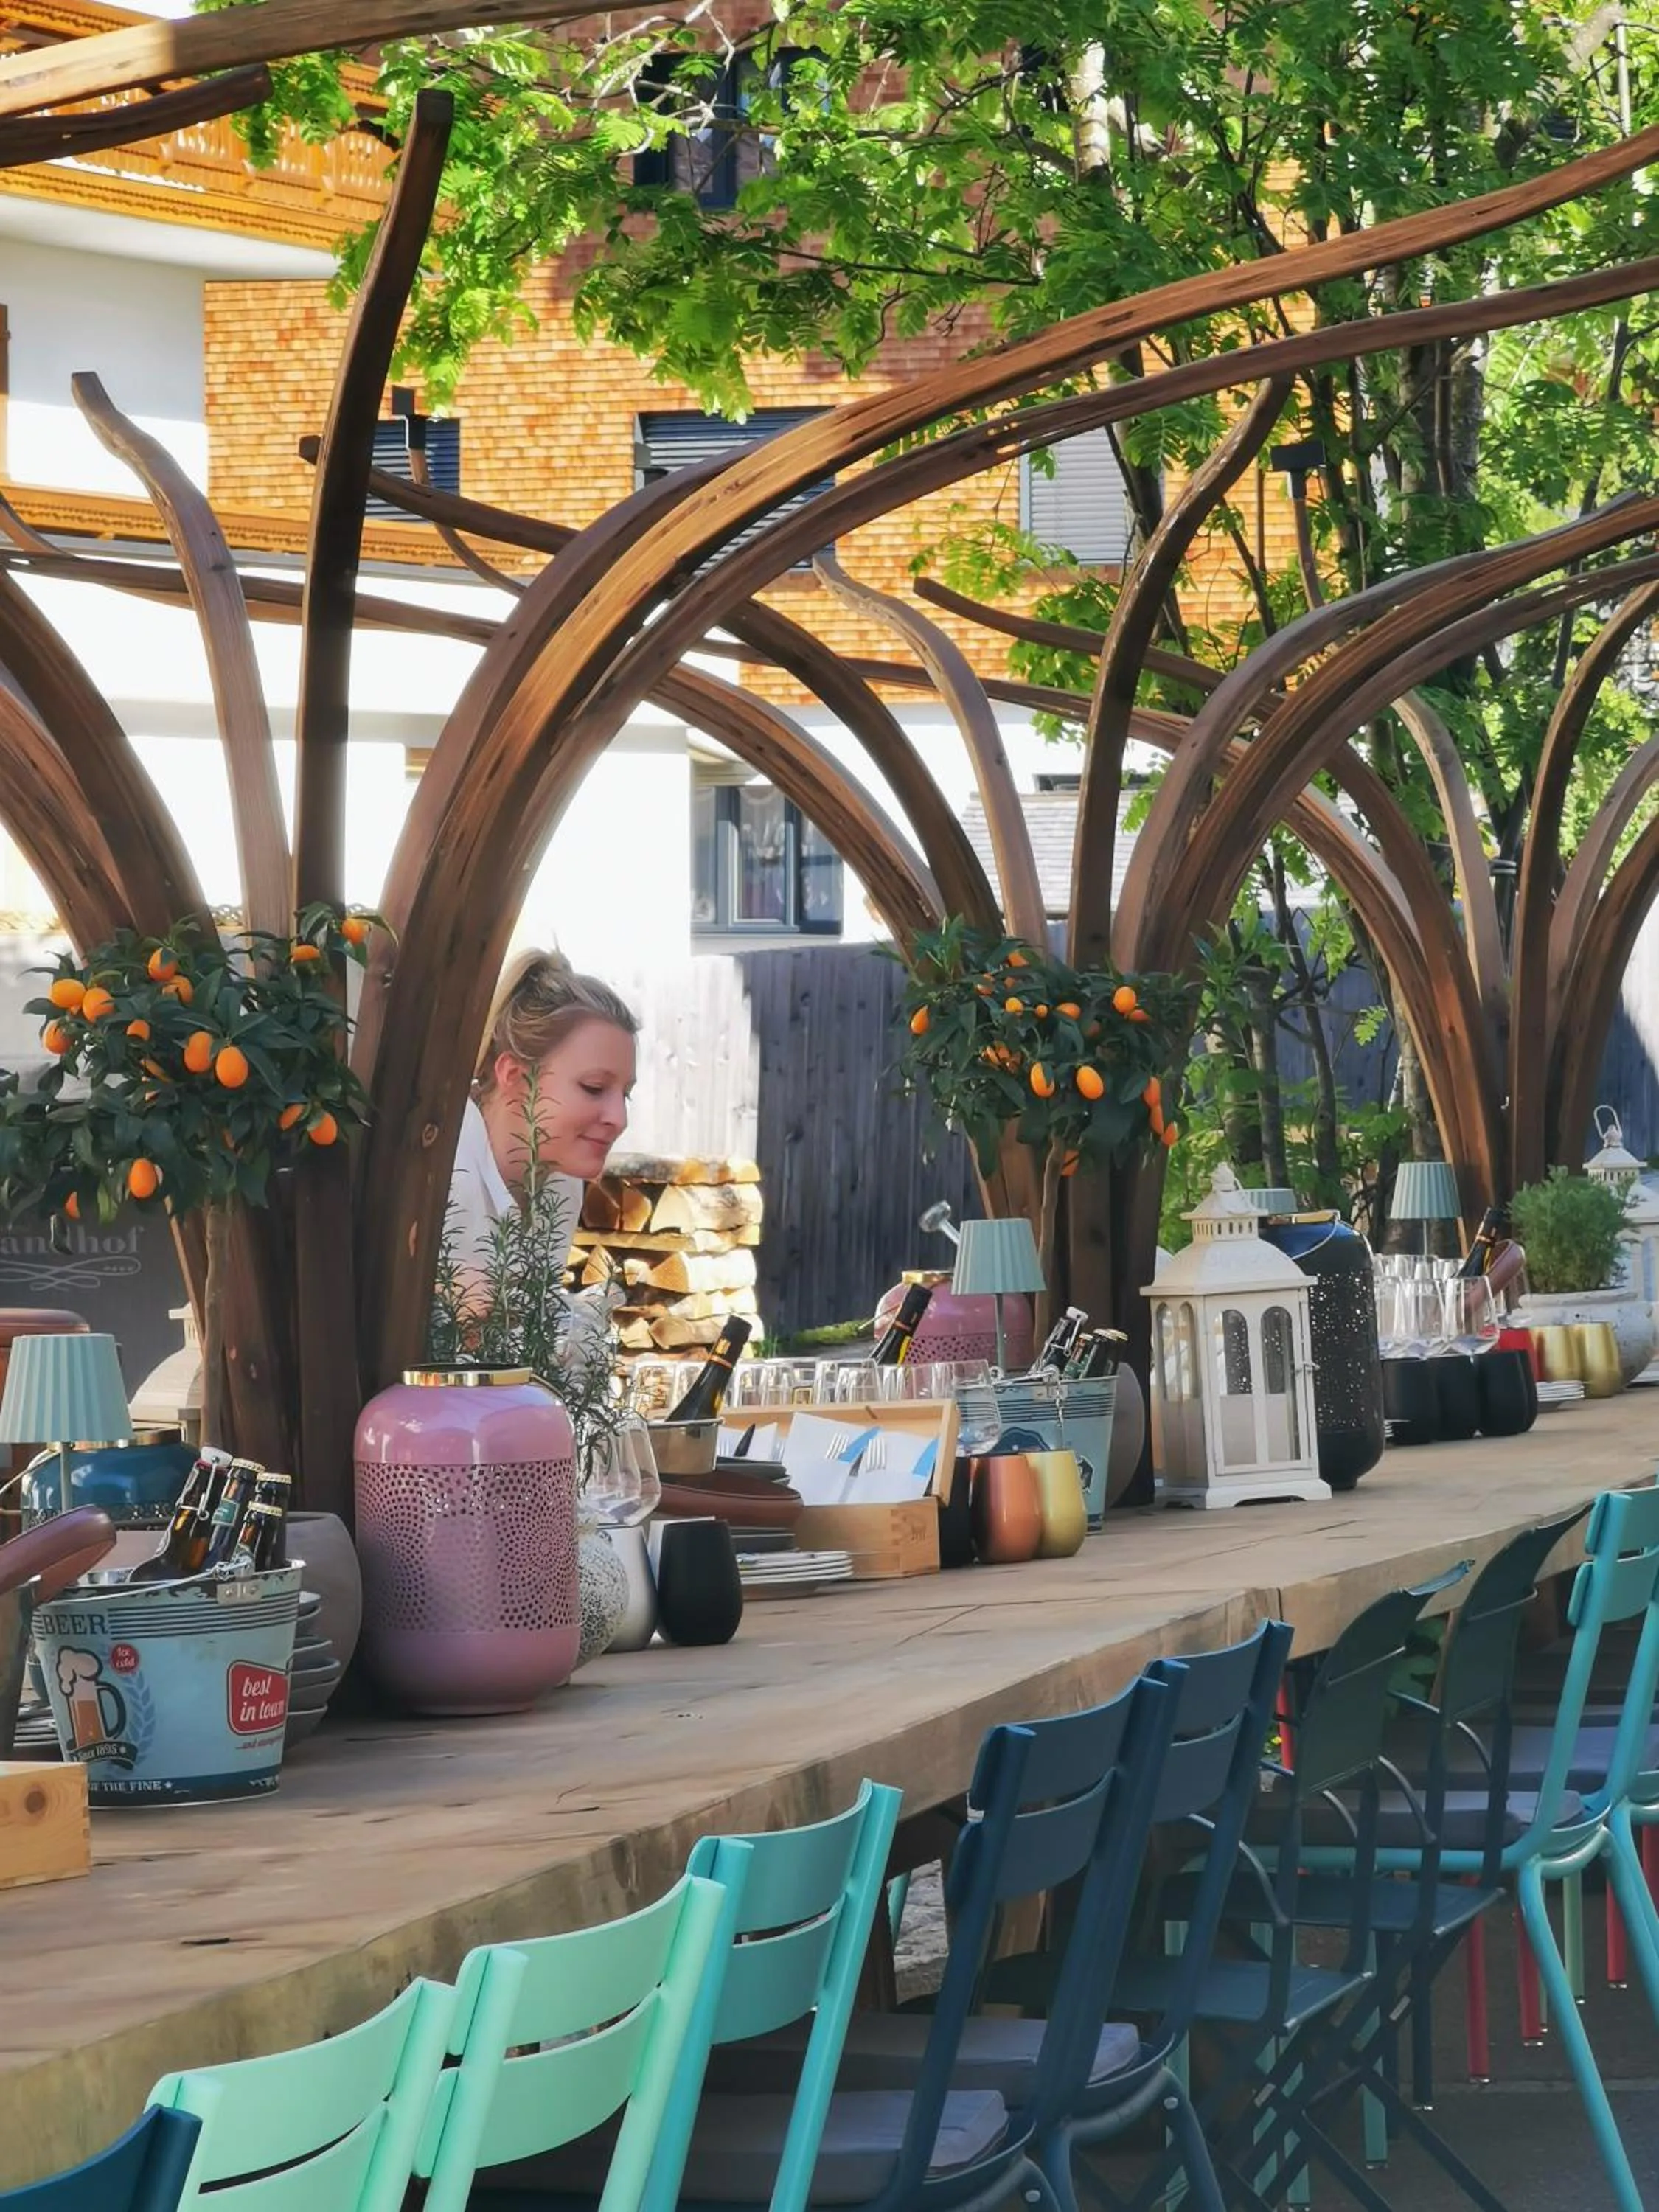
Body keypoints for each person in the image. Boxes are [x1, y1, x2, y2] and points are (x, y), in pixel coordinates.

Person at [448, 949, 639, 1302]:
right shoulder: (444, 1164)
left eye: (625, 1094)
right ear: (514, 1075)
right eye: (594, 1087)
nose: (619, 1119)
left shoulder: (562, 1181)